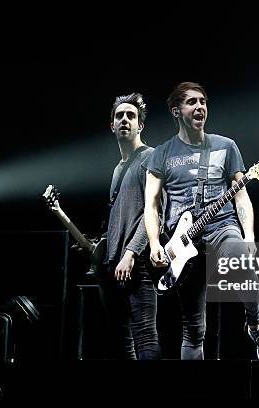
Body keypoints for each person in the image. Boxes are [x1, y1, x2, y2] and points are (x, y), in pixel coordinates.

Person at [144, 82, 259, 360]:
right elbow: (151, 203)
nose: (200, 107)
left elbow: (241, 198)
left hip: (221, 227)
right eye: (192, 102)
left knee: (241, 259)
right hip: (181, 241)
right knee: (193, 330)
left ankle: (255, 325)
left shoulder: (225, 146)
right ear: (176, 111)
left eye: (203, 101)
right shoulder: (162, 153)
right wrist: (155, 243)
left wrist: (249, 235)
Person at [97, 92, 161, 359]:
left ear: (140, 125)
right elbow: (118, 217)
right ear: (112, 125)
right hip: (114, 264)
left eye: (131, 116)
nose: (125, 119)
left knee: (145, 334)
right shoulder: (117, 169)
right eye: (119, 116)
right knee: (121, 339)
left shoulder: (151, 158)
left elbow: (154, 211)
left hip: (139, 261)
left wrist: (131, 253)